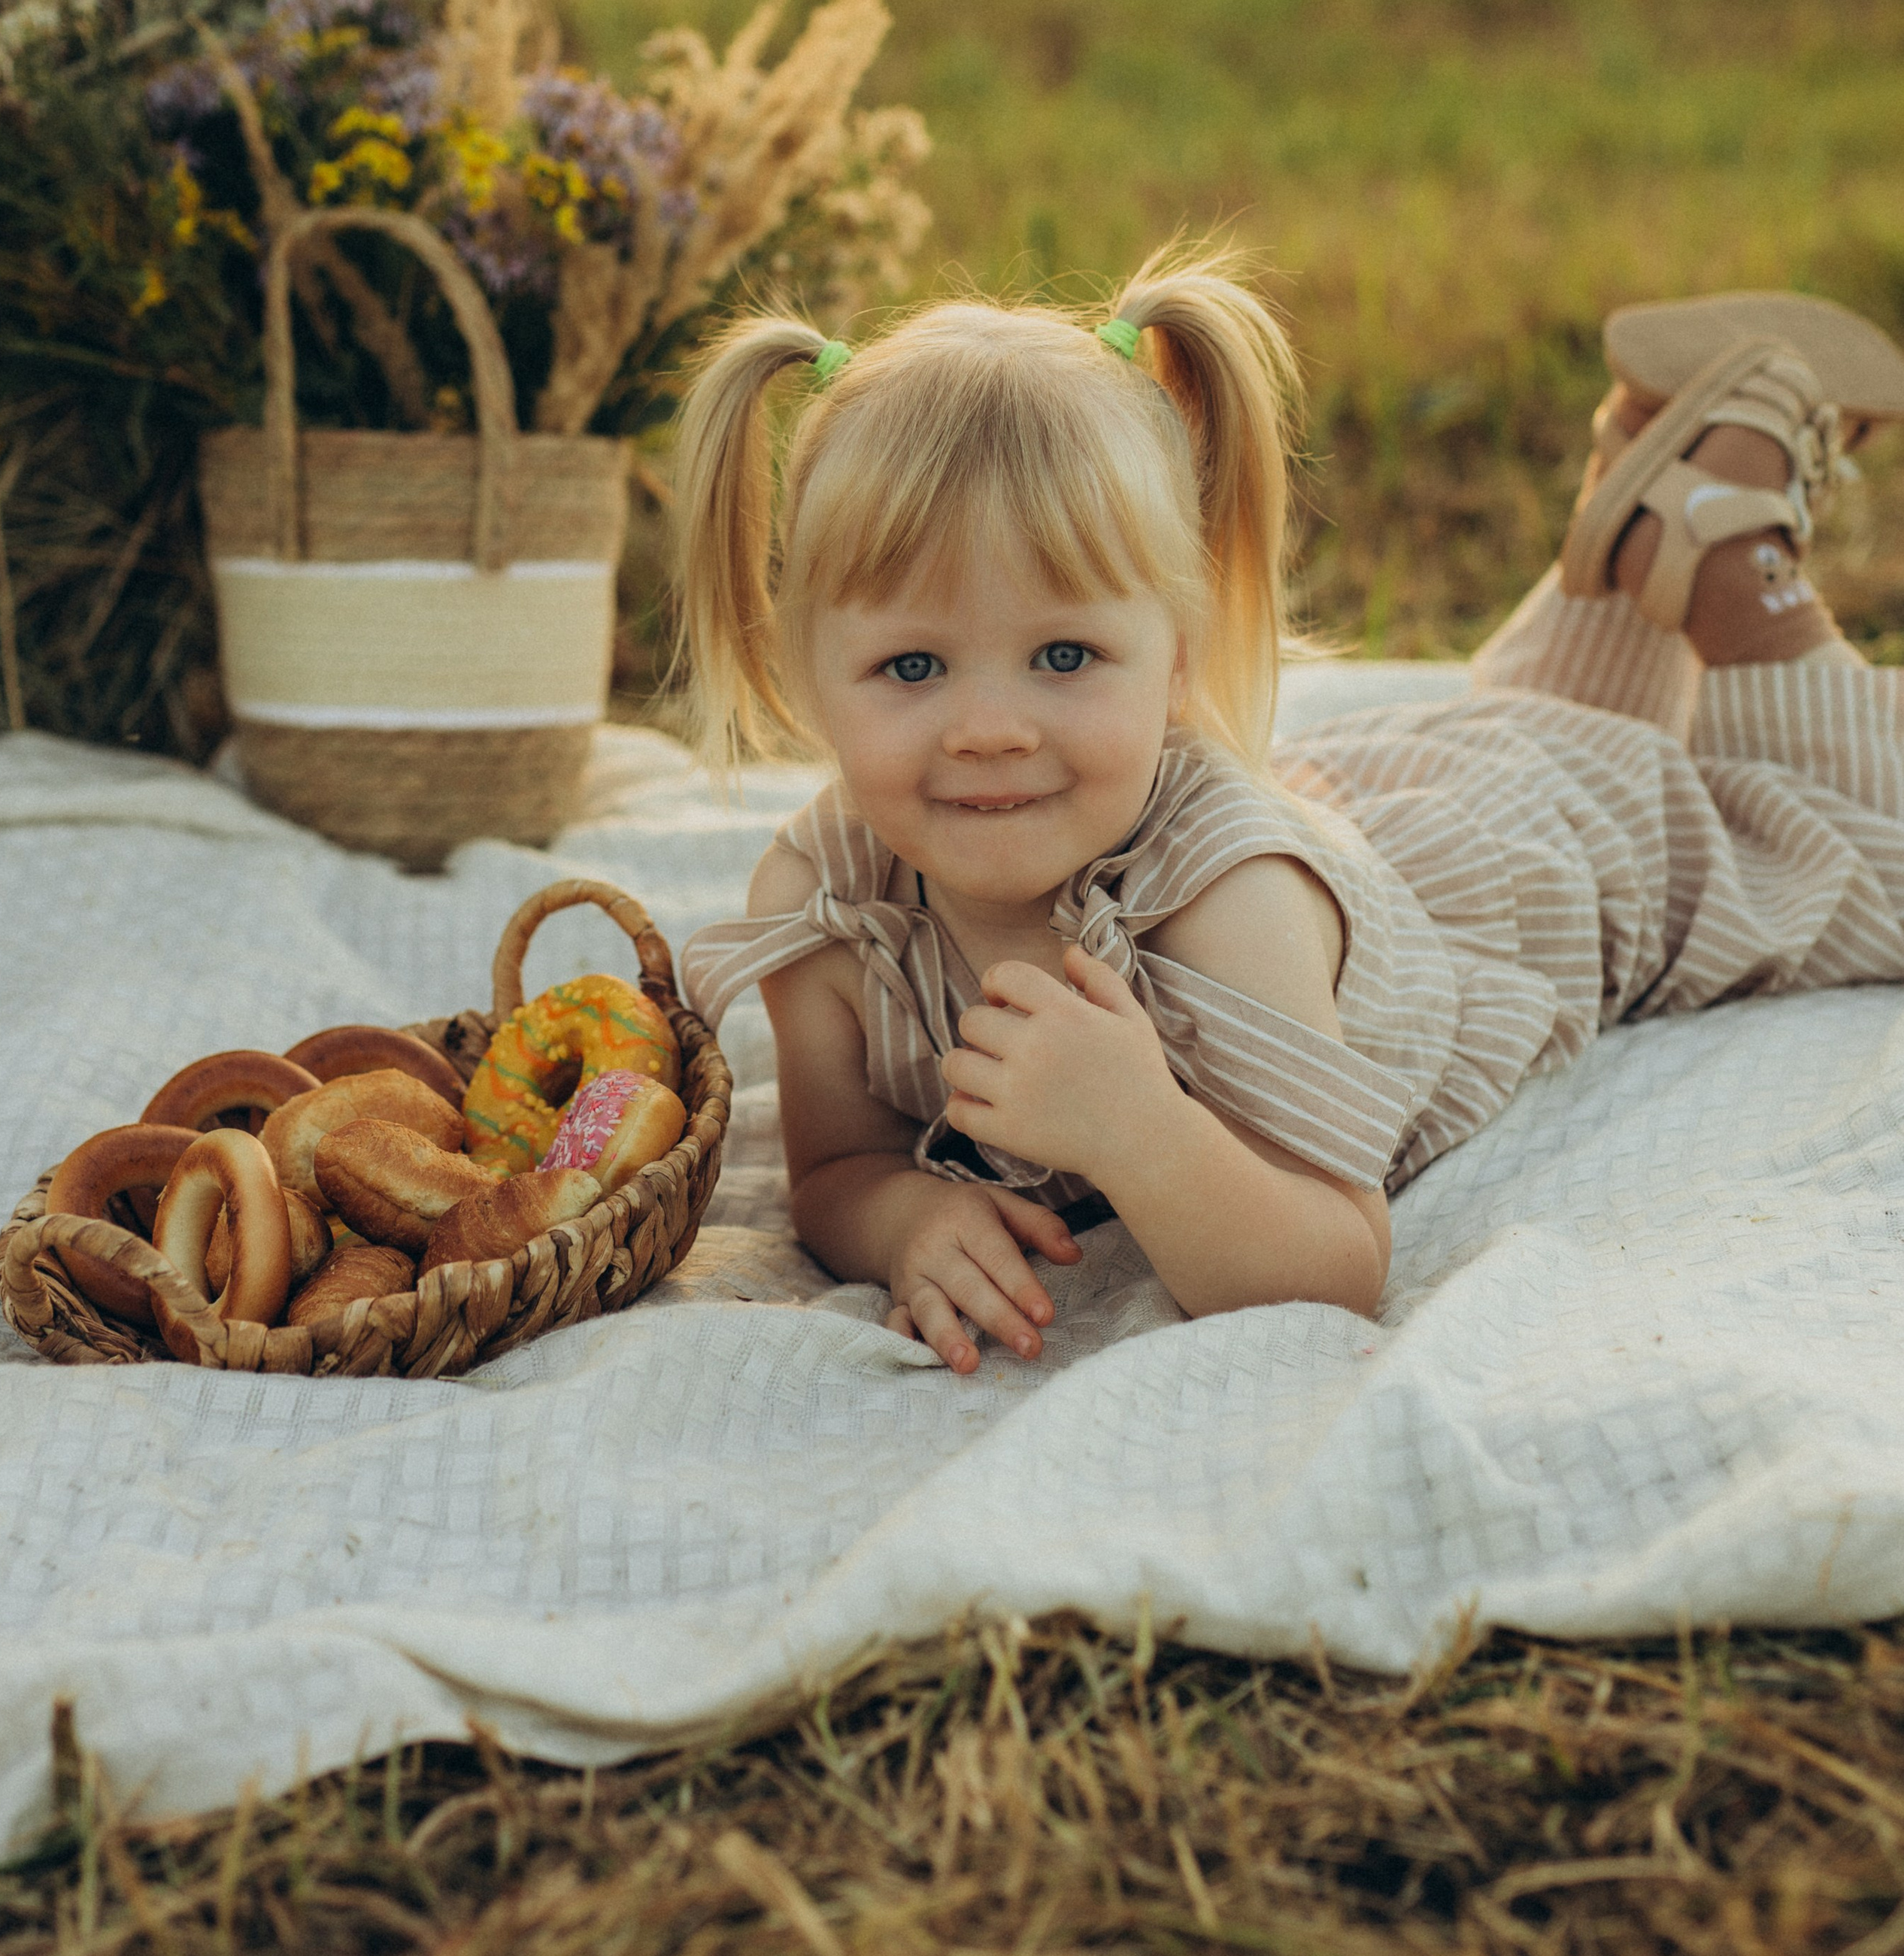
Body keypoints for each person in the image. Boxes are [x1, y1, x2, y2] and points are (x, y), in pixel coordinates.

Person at [676, 257, 1904, 1374]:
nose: (989, 728)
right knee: (1532, 732)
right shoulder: (825, 910)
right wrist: (906, 1219)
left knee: (1830, 859)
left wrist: (1140, 1131)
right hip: (1408, 801)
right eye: (912, 668)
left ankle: (1729, 555)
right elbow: (836, 1169)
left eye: (1063, 655)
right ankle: (1640, 503)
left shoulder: (1232, 910)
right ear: (800, 670)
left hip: (1510, 888)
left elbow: (1335, 1262)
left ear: (1178, 657)